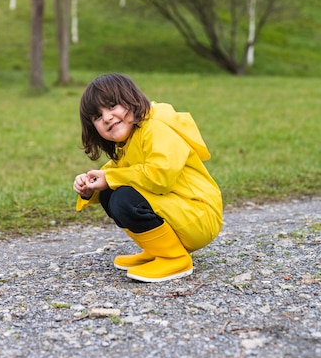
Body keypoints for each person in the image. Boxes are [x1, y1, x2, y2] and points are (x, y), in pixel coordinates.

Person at [73, 73, 223, 283]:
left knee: (123, 196)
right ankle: (158, 250)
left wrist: (110, 177)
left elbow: (160, 177)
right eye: (97, 116)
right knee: (108, 192)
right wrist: (91, 185)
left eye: (112, 105)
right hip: (180, 212)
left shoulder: (156, 128)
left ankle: (174, 258)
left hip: (198, 213)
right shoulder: (129, 141)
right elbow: (119, 171)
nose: (107, 117)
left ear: (131, 99)